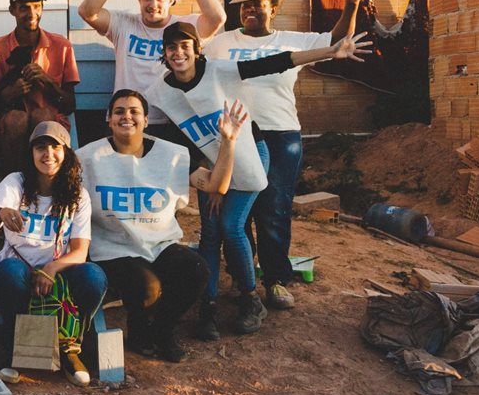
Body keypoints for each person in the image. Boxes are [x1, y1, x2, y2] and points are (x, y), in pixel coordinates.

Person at [145, 21, 370, 337]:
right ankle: (207, 306)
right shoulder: (162, 90)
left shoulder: (218, 70)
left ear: (197, 48)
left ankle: (252, 300)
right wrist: (212, 182)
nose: (179, 52)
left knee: (230, 226)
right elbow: (169, 133)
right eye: (172, 48)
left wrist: (331, 51)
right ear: (165, 54)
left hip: (250, 152)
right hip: (213, 163)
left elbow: (276, 62)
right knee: (210, 232)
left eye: (185, 46)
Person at [204, 0, 365, 311]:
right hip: (236, 136)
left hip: (280, 134)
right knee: (239, 212)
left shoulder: (292, 41)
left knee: (273, 209)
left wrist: (351, 3)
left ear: (273, 8)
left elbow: (336, 41)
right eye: (245, 4)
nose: (250, 8)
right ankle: (240, 275)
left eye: (259, 2)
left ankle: (275, 280)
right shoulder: (218, 44)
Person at [80, 89, 246, 362]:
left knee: (196, 271)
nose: (127, 116)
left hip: (159, 243)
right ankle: (139, 330)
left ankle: (163, 330)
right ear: (108, 119)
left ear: (146, 120)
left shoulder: (172, 155)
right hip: (114, 247)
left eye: (134, 111)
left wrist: (228, 142)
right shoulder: (87, 157)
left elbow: (217, 184)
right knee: (148, 287)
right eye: (119, 111)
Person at [0, 121, 106, 387]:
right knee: (9, 271)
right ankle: (12, 352)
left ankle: (70, 349)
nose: (48, 154)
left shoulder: (77, 195)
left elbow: (80, 251)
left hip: (57, 275)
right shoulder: (16, 182)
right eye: (41, 147)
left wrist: (51, 268)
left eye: (55, 147)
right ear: (31, 153)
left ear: (67, 152)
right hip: (19, 273)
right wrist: (0, 213)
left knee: (93, 276)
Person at [77, 0, 225, 141]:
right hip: (127, 119)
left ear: (171, 1)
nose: (153, 4)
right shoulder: (124, 23)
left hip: (172, 120)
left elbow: (217, 18)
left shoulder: (184, 27)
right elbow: (87, 11)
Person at [0, 0, 79, 171]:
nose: (32, 14)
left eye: (37, 7)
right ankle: (15, 189)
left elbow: (70, 105)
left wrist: (47, 82)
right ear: (12, 10)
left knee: (43, 116)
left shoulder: (61, 46)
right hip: (10, 133)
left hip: (51, 128)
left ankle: (47, 192)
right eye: (24, 8)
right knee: (17, 119)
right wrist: (9, 93)